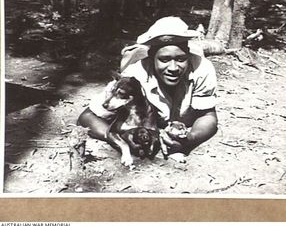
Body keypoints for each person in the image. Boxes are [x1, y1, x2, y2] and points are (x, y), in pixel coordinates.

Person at [78, 16, 218, 160]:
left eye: (181, 59)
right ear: (151, 58)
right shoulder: (134, 77)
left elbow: (208, 116)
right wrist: (118, 138)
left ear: (188, 54)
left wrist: (190, 139)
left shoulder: (202, 68)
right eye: (164, 60)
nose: (173, 68)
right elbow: (87, 116)